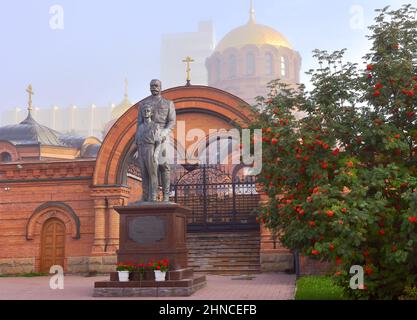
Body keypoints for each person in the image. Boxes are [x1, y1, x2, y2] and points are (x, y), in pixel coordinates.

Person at [137, 79, 176, 202]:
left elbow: (172, 121)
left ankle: (165, 196)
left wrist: (165, 131)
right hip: (147, 135)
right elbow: (139, 123)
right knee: (147, 167)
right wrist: (138, 140)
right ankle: (147, 195)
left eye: (156, 85)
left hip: (162, 136)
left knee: (163, 165)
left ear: (160, 87)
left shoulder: (168, 103)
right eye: (152, 86)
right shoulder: (143, 104)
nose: (154, 87)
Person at [135, 104, 161, 202]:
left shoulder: (155, 126)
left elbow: (158, 142)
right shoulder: (140, 127)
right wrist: (138, 152)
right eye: (144, 111)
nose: (146, 112)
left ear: (151, 113)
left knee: (152, 174)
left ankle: (153, 195)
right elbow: (137, 141)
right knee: (144, 174)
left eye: (148, 111)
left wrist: (155, 154)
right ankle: (145, 195)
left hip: (151, 149)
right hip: (141, 150)